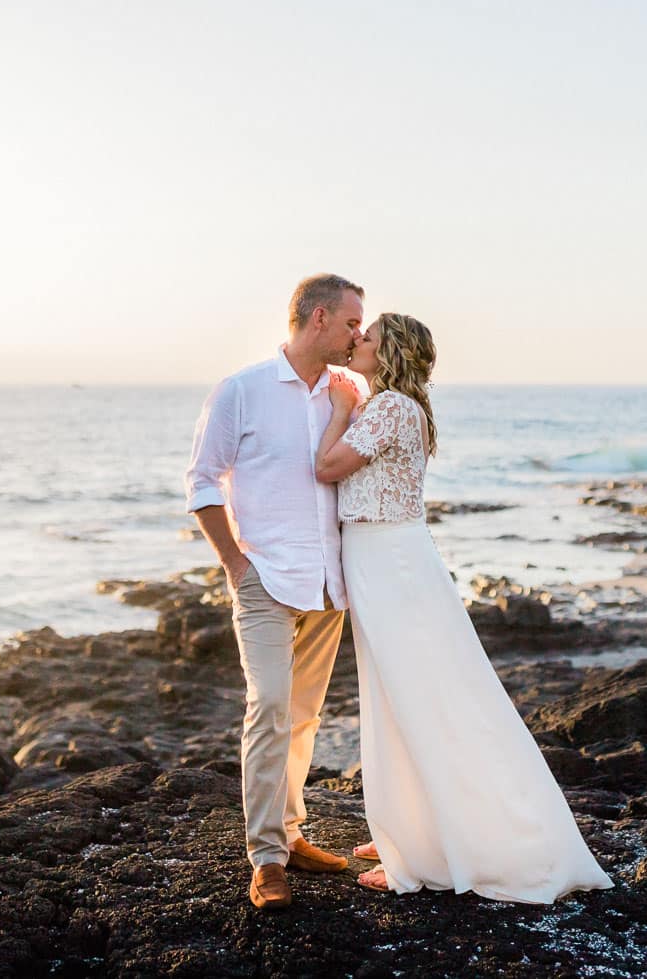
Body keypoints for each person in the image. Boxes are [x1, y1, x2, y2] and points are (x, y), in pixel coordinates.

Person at [314, 313, 615, 903]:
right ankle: (413, 825)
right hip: (387, 558)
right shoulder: (405, 407)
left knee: (415, 696)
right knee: (403, 695)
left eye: (368, 337)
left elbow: (326, 468)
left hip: (389, 562)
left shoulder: (390, 407)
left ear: (391, 352)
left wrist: (342, 410)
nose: (357, 342)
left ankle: (425, 846)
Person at [184, 273, 365, 910]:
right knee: (268, 709)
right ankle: (266, 859)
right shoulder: (243, 390)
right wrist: (235, 565)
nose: (356, 335)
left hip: (327, 584)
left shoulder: (350, 394)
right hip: (264, 578)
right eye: (349, 324)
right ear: (317, 319)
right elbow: (203, 483)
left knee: (306, 716)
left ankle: (290, 834)